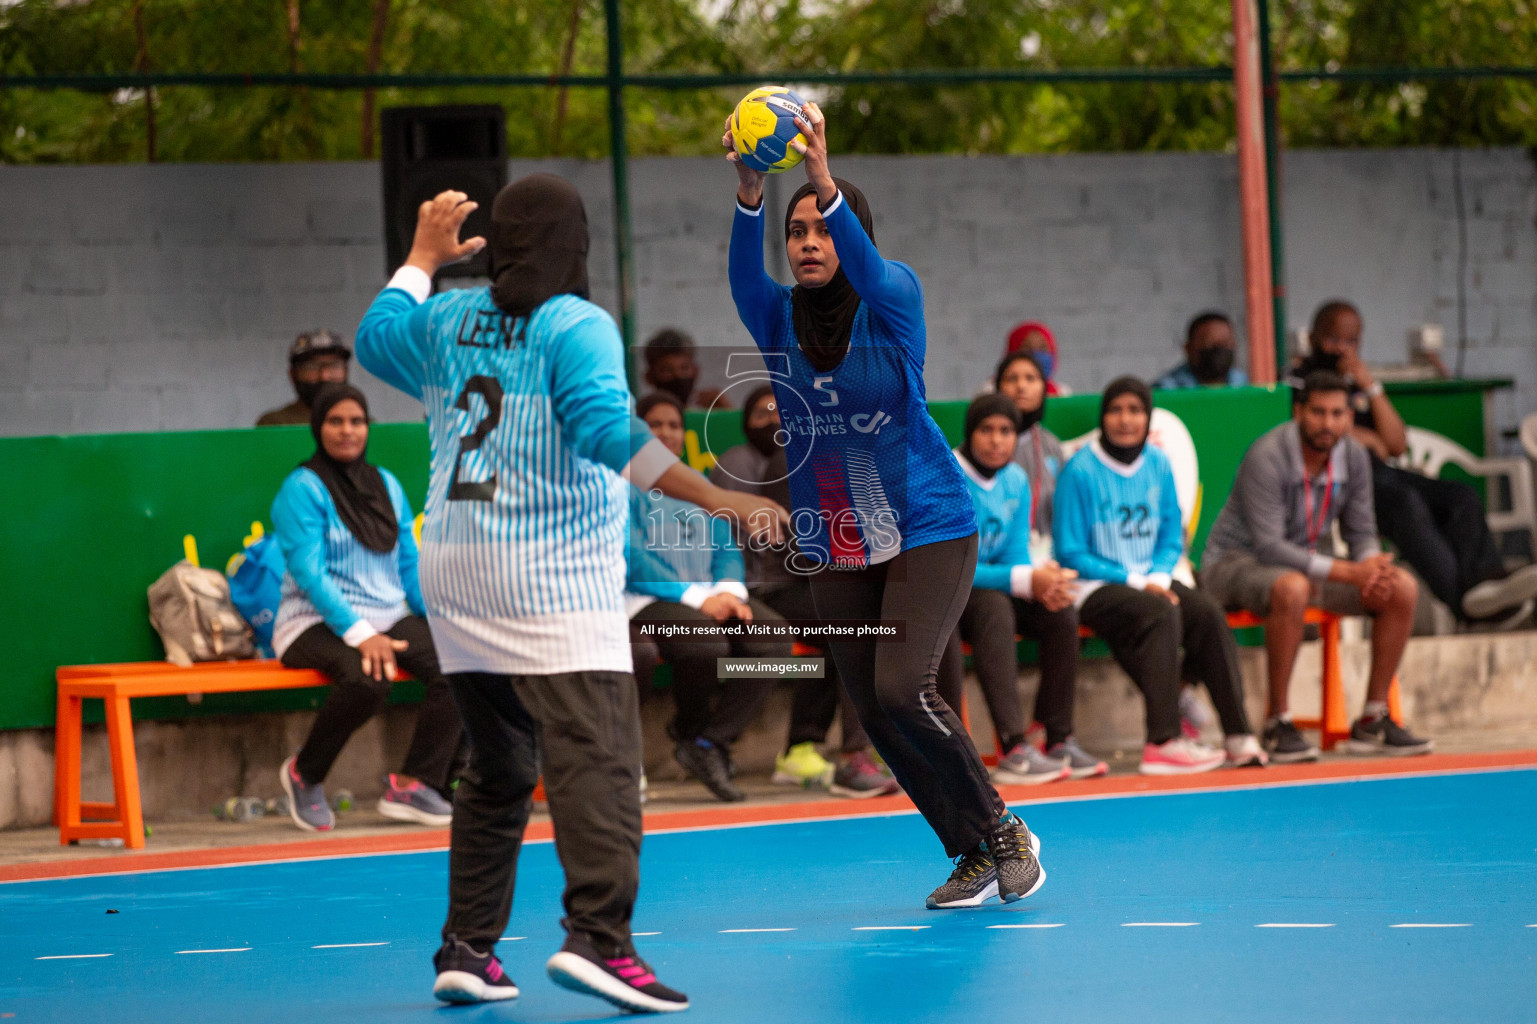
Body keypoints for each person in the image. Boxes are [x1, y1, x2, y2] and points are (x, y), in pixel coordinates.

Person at [355, 177, 785, 1012]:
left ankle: (468, 949)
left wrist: (418, 258)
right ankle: (600, 939)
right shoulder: (576, 324)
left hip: (453, 568)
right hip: (545, 572)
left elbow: (373, 343)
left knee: (499, 764)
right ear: (574, 246)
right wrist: (718, 496)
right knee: (600, 760)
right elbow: (602, 428)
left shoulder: (444, 315)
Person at [726, 101, 1044, 911]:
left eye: (821, 229)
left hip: (928, 524)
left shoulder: (893, 299)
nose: (806, 243)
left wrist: (820, 177)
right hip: (836, 537)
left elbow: (868, 266)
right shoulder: (776, 319)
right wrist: (749, 189)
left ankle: (1005, 828)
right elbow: (739, 275)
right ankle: (970, 848)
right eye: (796, 232)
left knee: (905, 688)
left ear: (850, 235)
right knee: (872, 707)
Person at [1201, 371, 1433, 761]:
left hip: (1307, 566)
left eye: (1338, 413)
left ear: (1348, 417)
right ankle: (1278, 723)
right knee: (1292, 586)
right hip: (1235, 564)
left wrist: (1371, 568)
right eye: (1318, 412)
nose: (1328, 423)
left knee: (1401, 588)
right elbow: (1271, 547)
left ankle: (1373, 719)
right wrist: (1349, 573)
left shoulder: (1355, 457)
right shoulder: (1268, 454)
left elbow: (1362, 532)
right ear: (1298, 412)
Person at [270, 384, 461, 832]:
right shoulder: (301, 489)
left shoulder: (387, 485)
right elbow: (311, 575)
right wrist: (361, 634)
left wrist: (438, 620)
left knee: (459, 661)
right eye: (335, 421)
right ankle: (305, 773)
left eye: (356, 421)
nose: (347, 430)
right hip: (311, 622)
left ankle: (415, 784)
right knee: (369, 677)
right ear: (319, 428)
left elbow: (407, 562)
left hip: (388, 614)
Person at [1053, 377, 1267, 774]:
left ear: (1147, 417)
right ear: (1103, 417)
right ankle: (1163, 741)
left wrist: (1158, 575)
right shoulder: (1079, 470)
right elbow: (1070, 551)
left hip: (1152, 580)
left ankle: (1239, 735)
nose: (1125, 419)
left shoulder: (1158, 462)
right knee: (1160, 612)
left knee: (1206, 613)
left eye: (1135, 410)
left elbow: (1173, 535)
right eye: (1116, 410)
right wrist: (1139, 582)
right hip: (1093, 587)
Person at [1289, 300, 1537, 623]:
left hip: (1382, 472)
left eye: (1351, 341)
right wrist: (1362, 437)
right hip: (1341, 482)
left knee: (1461, 497)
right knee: (1406, 503)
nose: (1342, 349)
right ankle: (1466, 606)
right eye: (1333, 339)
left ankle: (1485, 586)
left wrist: (1371, 386)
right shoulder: (1297, 380)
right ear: (1313, 338)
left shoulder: (1357, 380)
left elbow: (1396, 443)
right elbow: (1303, 431)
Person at [709, 383, 899, 798]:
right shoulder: (772, 459)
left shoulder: (836, 458)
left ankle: (803, 748)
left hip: (803, 586)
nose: (776, 420)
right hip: (766, 587)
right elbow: (792, 544)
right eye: (763, 413)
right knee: (852, 624)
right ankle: (854, 755)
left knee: (846, 631)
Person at [937, 394, 1107, 784]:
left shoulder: (1014, 480)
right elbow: (949, 568)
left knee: (1059, 609)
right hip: (947, 592)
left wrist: (1040, 582)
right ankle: (1013, 748)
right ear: (970, 432)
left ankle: (1057, 737)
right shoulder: (950, 474)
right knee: (996, 606)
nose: (997, 440)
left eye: (1006, 431)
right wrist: (1025, 579)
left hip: (993, 584)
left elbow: (1014, 553)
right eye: (987, 430)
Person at [627, 391, 780, 803]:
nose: (666, 433)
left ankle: (710, 743)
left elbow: (727, 548)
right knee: (704, 642)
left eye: (674, 425)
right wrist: (697, 599)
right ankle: (690, 727)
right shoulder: (623, 484)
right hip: (644, 601)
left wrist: (728, 592)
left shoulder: (696, 485)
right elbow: (631, 558)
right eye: (654, 424)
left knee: (775, 642)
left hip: (709, 598)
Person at [995, 350, 1066, 541]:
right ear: (998, 387)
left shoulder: (1052, 446)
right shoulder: (984, 446)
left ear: (1044, 388)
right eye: (1012, 378)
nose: (1021, 386)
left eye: (1030, 378)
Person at [256, 330, 352, 426]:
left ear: (346, 371)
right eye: (312, 366)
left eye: (334, 365)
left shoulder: (360, 422)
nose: (324, 376)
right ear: (293, 374)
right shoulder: (274, 424)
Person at [1153, 312, 1249, 390]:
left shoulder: (1245, 384)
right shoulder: (1167, 389)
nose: (1220, 349)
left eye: (1226, 343)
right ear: (1188, 348)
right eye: (1210, 344)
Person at [1005, 320, 1070, 395]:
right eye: (1027, 348)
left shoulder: (1062, 394)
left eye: (1042, 348)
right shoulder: (993, 392)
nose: (1036, 354)